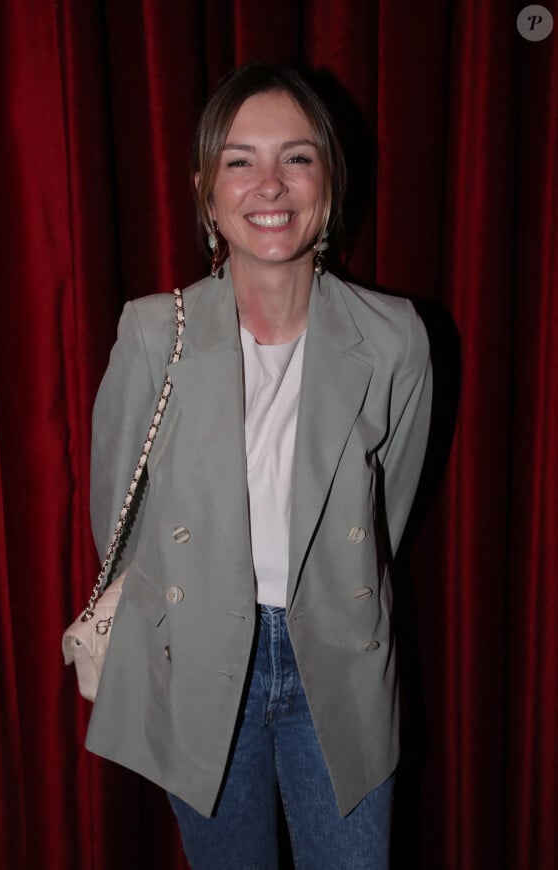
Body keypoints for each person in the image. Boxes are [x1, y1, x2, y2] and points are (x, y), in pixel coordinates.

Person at [85, 63, 432, 870]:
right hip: (202, 662)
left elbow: (391, 509)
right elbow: (120, 520)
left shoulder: (395, 339)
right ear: (208, 194)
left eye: (297, 157)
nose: (269, 184)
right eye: (240, 161)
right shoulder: (150, 335)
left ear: (329, 185)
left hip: (339, 662)